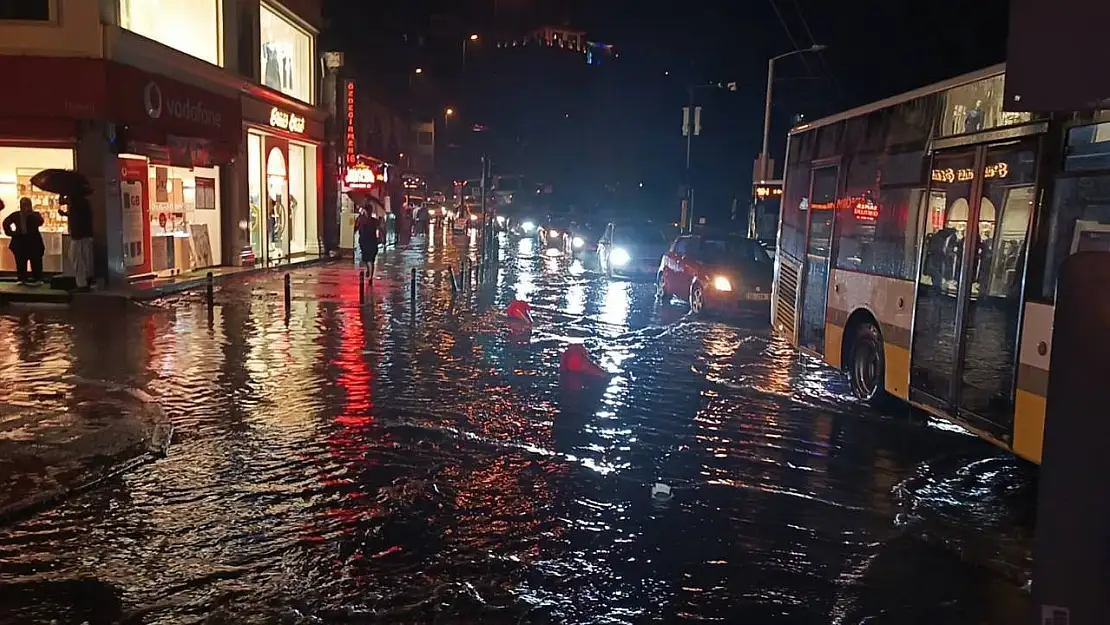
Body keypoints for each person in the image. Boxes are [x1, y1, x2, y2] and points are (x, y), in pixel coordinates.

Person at [2, 198, 45, 284]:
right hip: (20, 242)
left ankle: (38, 278)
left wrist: (30, 214)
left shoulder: (35, 215)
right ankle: (22, 278)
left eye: (27, 204)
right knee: (21, 262)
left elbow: (40, 222)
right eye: (23, 204)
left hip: (34, 242)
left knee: (36, 261)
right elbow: (6, 223)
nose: (25, 206)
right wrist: (12, 233)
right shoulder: (16, 215)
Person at [59, 190, 94, 291]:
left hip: (79, 236)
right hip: (83, 235)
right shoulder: (82, 204)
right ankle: (85, 281)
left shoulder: (77, 205)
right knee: (82, 258)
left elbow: (78, 219)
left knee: (77, 258)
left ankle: (82, 284)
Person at [355, 204, 381, 279]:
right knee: (367, 259)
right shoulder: (361, 219)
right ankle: (369, 272)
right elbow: (356, 227)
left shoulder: (372, 220)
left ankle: (370, 276)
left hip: (370, 241)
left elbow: (379, 228)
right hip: (365, 241)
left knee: (370, 259)